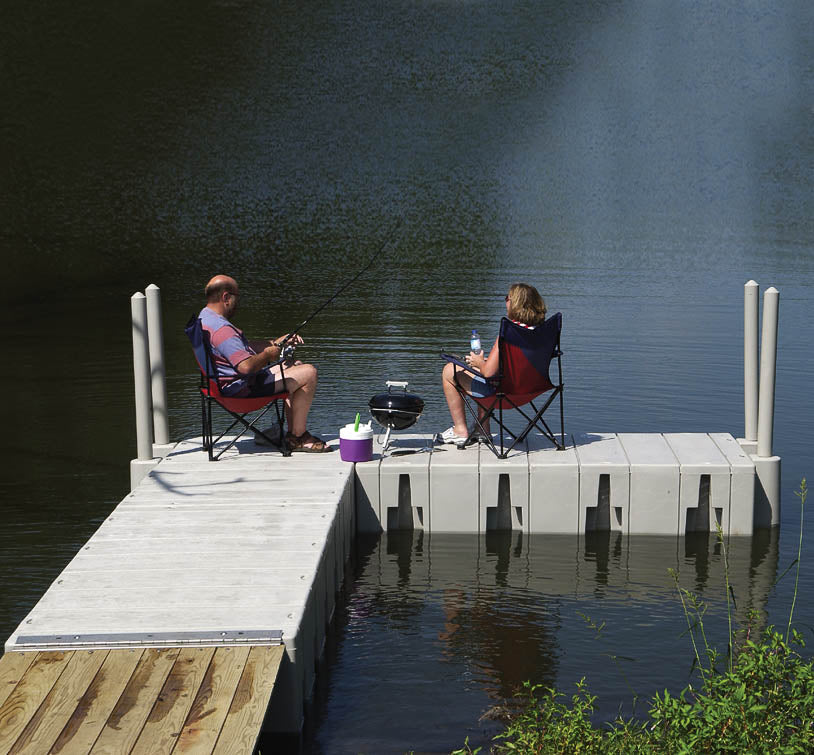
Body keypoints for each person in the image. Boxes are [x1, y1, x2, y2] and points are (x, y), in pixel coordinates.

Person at [199, 274, 331, 452]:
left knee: (295, 365)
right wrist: (268, 354)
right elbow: (245, 367)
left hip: (225, 385)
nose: (239, 302)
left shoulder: (205, 318)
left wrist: (275, 343)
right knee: (309, 372)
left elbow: (239, 349)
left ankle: (292, 433)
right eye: (237, 297)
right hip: (240, 390)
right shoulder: (222, 329)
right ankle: (298, 437)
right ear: (226, 297)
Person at [438, 283, 548, 446]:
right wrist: (483, 365)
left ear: (516, 303)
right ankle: (482, 429)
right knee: (484, 369)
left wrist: (479, 362)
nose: (506, 302)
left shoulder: (509, 332)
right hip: (531, 390)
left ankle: (460, 430)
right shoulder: (542, 331)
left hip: (504, 394)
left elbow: (488, 373)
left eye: (507, 298)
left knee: (449, 370)